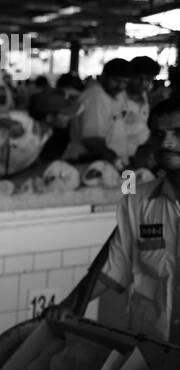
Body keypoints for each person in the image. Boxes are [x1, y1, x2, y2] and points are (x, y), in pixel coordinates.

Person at [77, 97, 180, 343]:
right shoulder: (137, 201)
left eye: (178, 132)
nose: (167, 142)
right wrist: (69, 306)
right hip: (150, 347)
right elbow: (114, 267)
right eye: (158, 134)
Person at [64, 59, 129, 163]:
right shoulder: (96, 96)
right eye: (116, 80)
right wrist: (115, 161)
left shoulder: (112, 95)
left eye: (125, 82)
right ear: (103, 76)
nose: (120, 86)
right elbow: (92, 140)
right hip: (89, 163)